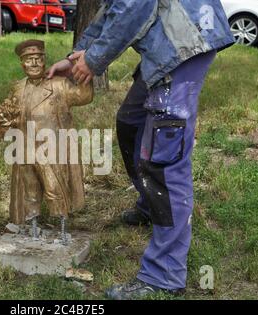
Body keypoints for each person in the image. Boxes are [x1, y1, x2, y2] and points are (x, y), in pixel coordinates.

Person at [48, 0, 235, 298]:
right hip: (166, 43)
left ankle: (164, 274)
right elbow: (111, 9)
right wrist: (75, 58)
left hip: (184, 43)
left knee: (164, 162)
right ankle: (152, 206)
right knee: (131, 123)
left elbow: (136, 6)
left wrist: (94, 59)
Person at [0, 40, 93, 243]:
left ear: (44, 61)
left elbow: (83, 96)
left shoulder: (57, 84)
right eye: (28, 60)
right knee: (30, 189)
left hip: (51, 148)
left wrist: (85, 70)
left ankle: (62, 224)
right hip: (25, 147)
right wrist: (4, 123)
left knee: (54, 186)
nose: (33, 64)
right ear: (21, 64)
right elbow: (9, 116)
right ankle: (32, 225)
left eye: (38, 59)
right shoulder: (18, 88)